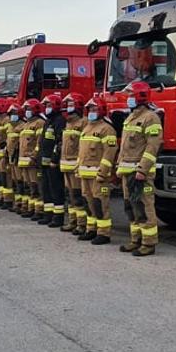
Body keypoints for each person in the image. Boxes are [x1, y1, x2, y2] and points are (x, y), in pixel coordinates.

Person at [116, 80, 164, 256]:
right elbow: (124, 148)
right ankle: (135, 239)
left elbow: (152, 147)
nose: (128, 98)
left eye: (130, 95)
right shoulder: (130, 117)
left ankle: (148, 243)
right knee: (131, 207)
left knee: (144, 207)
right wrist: (118, 167)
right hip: (127, 172)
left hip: (139, 173)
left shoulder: (151, 118)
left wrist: (142, 170)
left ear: (140, 97)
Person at [75, 94, 119, 244]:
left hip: (98, 175)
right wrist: (77, 168)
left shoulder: (107, 129)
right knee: (88, 202)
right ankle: (91, 229)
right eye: (90, 109)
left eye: (94, 108)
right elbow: (82, 152)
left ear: (101, 110)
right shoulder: (86, 128)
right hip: (84, 173)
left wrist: (103, 172)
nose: (92, 111)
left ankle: (104, 233)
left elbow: (109, 153)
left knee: (100, 203)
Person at [57, 94, 86, 234]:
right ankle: (72, 221)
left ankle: (81, 224)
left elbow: (84, 147)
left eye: (70, 105)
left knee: (78, 195)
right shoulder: (67, 123)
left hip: (75, 166)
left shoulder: (83, 123)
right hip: (65, 166)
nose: (67, 108)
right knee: (70, 195)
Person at [39, 92, 68, 228]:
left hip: (53, 164)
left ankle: (58, 217)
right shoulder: (48, 121)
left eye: (49, 105)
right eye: (45, 105)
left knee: (56, 189)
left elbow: (59, 142)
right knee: (46, 189)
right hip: (44, 163)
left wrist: (54, 160)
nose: (46, 108)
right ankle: (48, 215)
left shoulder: (59, 121)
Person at [17, 98, 43, 219]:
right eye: (26, 109)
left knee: (35, 186)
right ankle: (30, 208)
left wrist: (34, 156)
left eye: (29, 109)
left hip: (32, 161)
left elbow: (39, 143)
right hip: (23, 161)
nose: (27, 111)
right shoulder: (26, 124)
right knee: (28, 186)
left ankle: (38, 211)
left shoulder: (39, 123)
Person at [0, 101, 14, 208]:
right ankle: (1, 198)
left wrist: (6, 151)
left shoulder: (7, 121)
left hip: (3, 155)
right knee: (0, 177)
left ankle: (8, 200)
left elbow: (8, 138)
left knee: (6, 177)